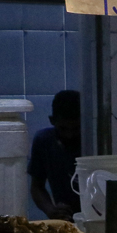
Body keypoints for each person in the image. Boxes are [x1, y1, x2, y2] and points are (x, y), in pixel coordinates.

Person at [29, 90, 82, 220]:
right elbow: (37, 186)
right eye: (63, 129)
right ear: (52, 121)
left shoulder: (92, 141)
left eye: (76, 128)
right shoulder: (44, 141)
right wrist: (50, 210)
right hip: (65, 218)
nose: (69, 135)